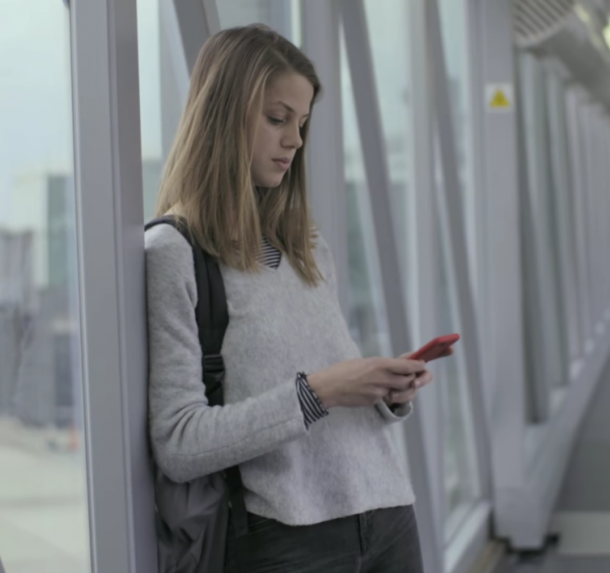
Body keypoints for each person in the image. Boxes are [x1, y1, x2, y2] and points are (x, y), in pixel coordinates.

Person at [145, 24, 452, 572]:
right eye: (277, 118)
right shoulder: (174, 252)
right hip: (286, 539)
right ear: (223, 115)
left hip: (387, 513)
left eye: (302, 123)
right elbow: (179, 441)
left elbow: (329, 389)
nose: (295, 141)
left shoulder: (305, 248)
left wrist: (385, 389)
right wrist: (321, 391)